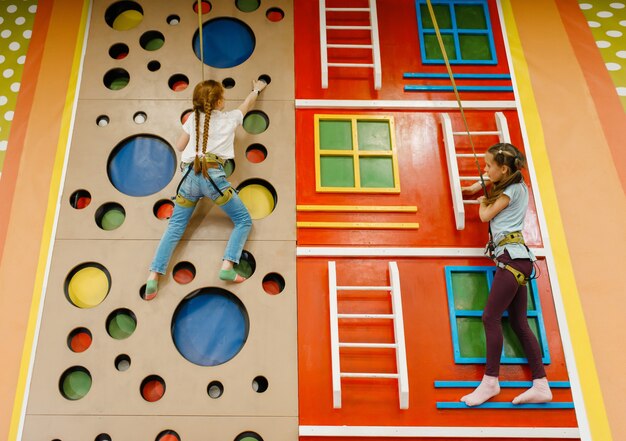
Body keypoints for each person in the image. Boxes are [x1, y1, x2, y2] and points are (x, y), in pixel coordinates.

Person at [145, 78, 268, 299]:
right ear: (220, 101)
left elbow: (180, 145)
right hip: (213, 179)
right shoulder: (230, 119)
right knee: (243, 221)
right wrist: (256, 89)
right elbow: (247, 104)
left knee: (175, 228)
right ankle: (227, 267)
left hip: (188, 179)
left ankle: (153, 277)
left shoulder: (193, 119)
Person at [459, 142, 552, 406]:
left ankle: (490, 381)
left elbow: (486, 214)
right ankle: (541, 384)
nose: (486, 169)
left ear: (503, 168)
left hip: (510, 259)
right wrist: (479, 186)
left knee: (490, 317)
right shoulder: (517, 185)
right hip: (519, 259)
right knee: (518, 322)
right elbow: (496, 184)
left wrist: (481, 200)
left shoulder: (510, 191)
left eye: (489, 166)